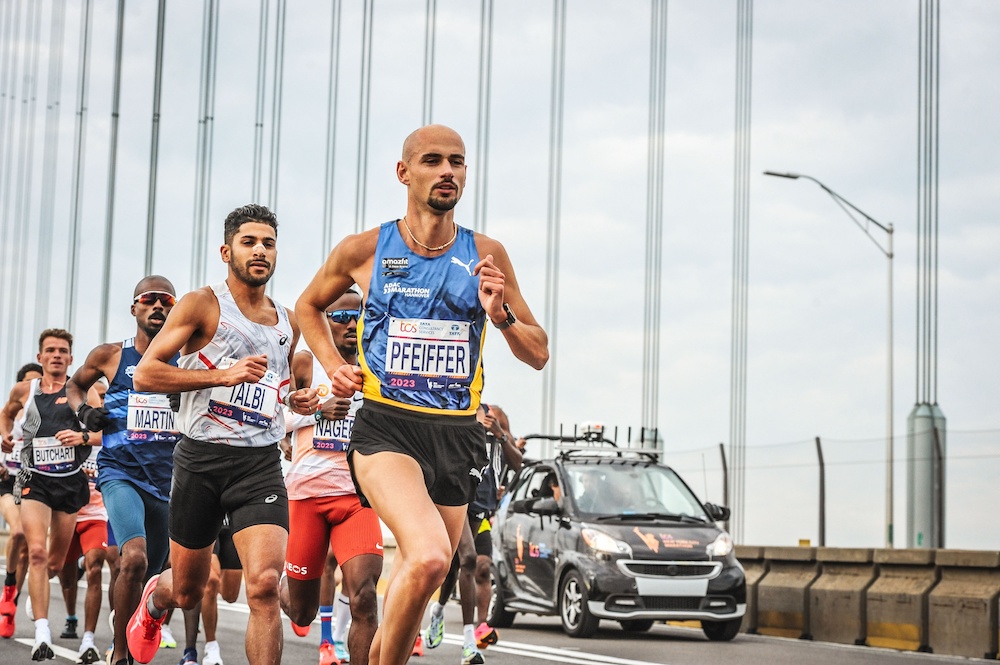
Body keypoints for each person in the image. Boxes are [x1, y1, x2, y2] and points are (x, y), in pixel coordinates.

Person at [296, 124, 548, 665]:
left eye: (457, 161)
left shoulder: (486, 253)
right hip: (387, 426)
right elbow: (307, 306)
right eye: (433, 161)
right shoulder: (366, 250)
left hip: (456, 435)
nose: (448, 171)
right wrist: (337, 367)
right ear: (404, 172)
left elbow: (538, 351)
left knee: (420, 578)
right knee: (433, 557)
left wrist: (499, 315)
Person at [124, 203, 318, 665]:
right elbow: (145, 375)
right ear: (226, 250)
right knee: (189, 592)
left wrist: (297, 401)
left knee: (265, 586)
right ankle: (155, 599)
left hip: (260, 465)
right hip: (201, 461)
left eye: (268, 243)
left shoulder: (286, 322)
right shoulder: (202, 304)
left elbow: (274, 389)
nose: (260, 251)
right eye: (249, 242)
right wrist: (220, 376)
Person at [65, 275, 180, 665]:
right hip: (120, 473)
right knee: (132, 558)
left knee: (159, 576)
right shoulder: (110, 355)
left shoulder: (189, 361)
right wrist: (84, 412)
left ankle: (146, 620)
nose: (158, 307)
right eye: (149, 300)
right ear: (134, 309)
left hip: (170, 482)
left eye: (167, 301)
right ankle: (120, 652)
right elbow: (74, 386)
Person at [281, 291, 383, 665]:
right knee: (300, 612)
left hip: (358, 498)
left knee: (365, 598)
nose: (352, 325)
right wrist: (317, 413)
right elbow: (274, 418)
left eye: (359, 317)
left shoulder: (378, 369)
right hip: (306, 497)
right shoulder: (306, 362)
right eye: (341, 316)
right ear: (324, 320)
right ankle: (285, 580)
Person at [0, 329, 104, 661]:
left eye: (62, 351)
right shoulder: (24, 390)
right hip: (35, 481)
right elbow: (5, 414)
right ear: (41, 356)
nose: (57, 355)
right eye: (50, 350)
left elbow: (102, 431)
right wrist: (5, 436)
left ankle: (35, 592)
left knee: (58, 563)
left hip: (70, 482)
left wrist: (82, 437)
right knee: (38, 554)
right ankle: (41, 632)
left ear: (71, 359)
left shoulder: (86, 391)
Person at [424, 403, 520, 665]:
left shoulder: (495, 415)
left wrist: (501, 434)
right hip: (454, 495)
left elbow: (517, 463)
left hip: (482, 501)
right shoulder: (457, 409)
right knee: (468, 558)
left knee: (456, 566)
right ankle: (469, 644)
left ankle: (439, 610)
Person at [0, 363, 43, 639]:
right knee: (17, 532)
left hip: (34, 483)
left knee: (30, 549)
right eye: (28, 384)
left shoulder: (49, 417)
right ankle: (8, 587)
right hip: (8, 481)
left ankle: (11, 605)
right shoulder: (6, 418)